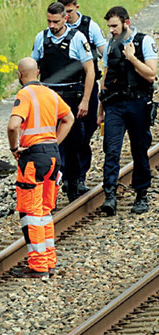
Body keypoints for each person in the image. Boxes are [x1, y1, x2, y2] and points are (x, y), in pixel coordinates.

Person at [8, 57, 75, 279]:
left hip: (32, 158)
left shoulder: (24, 95)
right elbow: (69, 118)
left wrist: (14, 147)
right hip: (53, 157)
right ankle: (49, 260)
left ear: (20, 75)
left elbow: (13, 125)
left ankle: (38, 266)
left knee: (31, 213)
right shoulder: (50, 93)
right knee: (45, 211)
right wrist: (55, 142)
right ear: (38, 72)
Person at [97, 6, 158, 216]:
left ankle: (141, 194)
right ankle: (110, 195)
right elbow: (105, 78)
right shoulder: (110, 45)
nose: (111, 30)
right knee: (111, 150)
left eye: (114, 25)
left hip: (138, 104)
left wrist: (132, 58)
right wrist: (100, 109)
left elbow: (151, 75)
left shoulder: (144, 42)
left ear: (126, 22)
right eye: (109, 26)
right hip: (114, 104)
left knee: (139, 149)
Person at [31, 1, 94, 201]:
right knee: (51, 142)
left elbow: (90, 71)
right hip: (49, 96)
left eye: (56, 21)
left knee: (75, 141)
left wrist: (85, 100)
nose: (52, 25)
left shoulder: (77, 38)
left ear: (65, 18)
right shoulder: (41, 38)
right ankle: (52, 184)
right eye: (49, 21)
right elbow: (34, 66)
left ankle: (74, 182)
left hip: (72, 96)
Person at [61, 0, 107, 192]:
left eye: (69, 12)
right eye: (63, 12)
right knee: (64, 135)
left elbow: (104, 51)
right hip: (64, 90)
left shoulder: (90, 26)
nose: (66, 16)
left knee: (85, 132)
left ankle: (80, 174)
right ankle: (68, 175)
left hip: (86, 86)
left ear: (76, 7)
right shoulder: (55, 31)